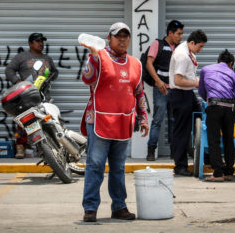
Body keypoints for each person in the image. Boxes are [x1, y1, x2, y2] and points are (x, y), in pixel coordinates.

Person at [79, 22, 149, 223]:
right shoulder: (99, 56)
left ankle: (119, 207)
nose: (122, 39)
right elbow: (87, 78)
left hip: (123, 122)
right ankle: (90, 208)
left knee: (118, 168)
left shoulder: (135, 63)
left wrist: (143, 117)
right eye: (118, 35)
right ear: (109, 37)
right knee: (95, 166)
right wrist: (93, 55)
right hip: (99, 120)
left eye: (126, 36)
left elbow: (139, 91)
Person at [4, 32, 59, 159]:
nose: (41, 43)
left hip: (43, 96)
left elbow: (55, 72)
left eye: (42, 41)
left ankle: (47, 149)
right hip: (25, 96)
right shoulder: (21, 57)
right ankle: (21, 147)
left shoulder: (47, 58)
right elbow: (9, 70)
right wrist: (18, 82)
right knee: (25, 121)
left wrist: (50, 76)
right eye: (38, 41)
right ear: (30, 43)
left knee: (46, 122)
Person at [168, 29, 208, 176]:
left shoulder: (188, 51)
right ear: (192, 42)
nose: (201, 49)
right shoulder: (182, 55)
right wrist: (196, 83)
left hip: (188, 94)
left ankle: (206, 156)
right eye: (200, 46)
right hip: (180, 95)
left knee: (201, 120)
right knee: (181, 131)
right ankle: (180, 166)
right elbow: (178, 80)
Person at [198, 50, 235, 182]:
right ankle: (228, 172)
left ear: (217, 61)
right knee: (229, 140)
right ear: (231, 63)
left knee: (214, 140)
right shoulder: (232, 73)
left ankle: (218, 173)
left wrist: (210, 100)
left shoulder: (205, 69)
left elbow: (201, 91)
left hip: (214, 107)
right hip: (229, 109)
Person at [145, 19, 184, 161]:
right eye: (178, 34)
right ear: (170, 33)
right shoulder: (158, 44)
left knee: (174, 121)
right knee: (157, 120)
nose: (180, 37)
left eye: (181, 34)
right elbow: (149, 63)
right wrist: (158, 81)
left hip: (175, 89)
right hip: (161, 90)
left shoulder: (180, 48)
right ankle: (151, 151)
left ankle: (175, 152)